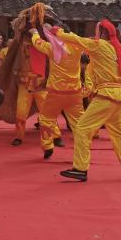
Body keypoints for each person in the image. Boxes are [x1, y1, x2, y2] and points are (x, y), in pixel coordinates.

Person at [53, 19, 121, 182]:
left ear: (103, 33)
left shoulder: (99, 45)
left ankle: (80, 168)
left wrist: (57, 32)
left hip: (105, 95)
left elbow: (76, 39)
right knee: (120, 134)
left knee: (82, 128)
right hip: (117, 97)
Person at [29, 25, 85, 159]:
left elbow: (37, 42)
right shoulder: (77, 47)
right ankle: (83, 151)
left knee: (46, 119)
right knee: (79, 123)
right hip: (74, 92)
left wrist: (35, 32)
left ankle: (47, 145)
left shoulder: (52, 48)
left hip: (56, 92)